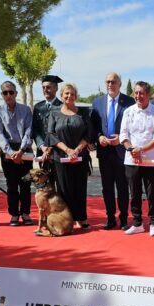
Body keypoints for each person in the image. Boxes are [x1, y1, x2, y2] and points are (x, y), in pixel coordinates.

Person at [90, 73, 135, 230]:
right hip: (104, 152)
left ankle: (123, 219)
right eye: (108, 81)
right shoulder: (97, 103)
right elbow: (93, 127)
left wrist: (122, 138)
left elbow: (133, 127)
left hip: (122, 152)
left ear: (120, 84)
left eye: (113, 82)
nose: (110, 84)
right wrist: (98, 137)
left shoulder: (129, 102)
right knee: (107, 188)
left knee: (122, 187)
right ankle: (110, 218)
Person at [120, 81, 154, 236]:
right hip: (131, 159)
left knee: (153, 193)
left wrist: (142, 150)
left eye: (141, 93)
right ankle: (137, 223)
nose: (138, 96)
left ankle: (153, 223)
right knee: (135, 192)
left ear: (148, 95)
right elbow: (123, 135)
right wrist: (132, 150)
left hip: (151, 160)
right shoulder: (128, 111)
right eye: (136, 93)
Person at [47, 83, 93, 229]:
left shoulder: (84, 113)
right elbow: (51, 134)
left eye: (72, 94)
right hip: (60, 158)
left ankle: (81, 218)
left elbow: (88, 133)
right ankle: (67, 220)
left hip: (80, 157)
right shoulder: (54, 113)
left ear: (76, 96)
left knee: (80, 188)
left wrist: (77, 150)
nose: (69, 96)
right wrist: (67, 150)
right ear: (61, 96)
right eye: (66, 94)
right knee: (64, 190)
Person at [0, 81, 34, 227]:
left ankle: (26, 213)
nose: (8, 95)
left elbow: (29, 131)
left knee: (26, 185)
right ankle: (14, 214)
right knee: (11, 186)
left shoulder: (26, 110)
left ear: (16, 93)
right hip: (8, 151)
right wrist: (10, 153)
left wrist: (21, 151)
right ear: (2, 95)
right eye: (5, 92)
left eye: (11, 92)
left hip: (25, 150)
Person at [32, 75, 63, 185]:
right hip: (42, 153)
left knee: (60, 185)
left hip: (58, 152)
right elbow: (35, 130)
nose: (45, 90)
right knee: (45, 186)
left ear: (56, 88)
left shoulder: (62, 107)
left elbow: (61, 132)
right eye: (43, 87)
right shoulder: (38, 107)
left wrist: (50, 148)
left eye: (48, 87)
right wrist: (42, 146)